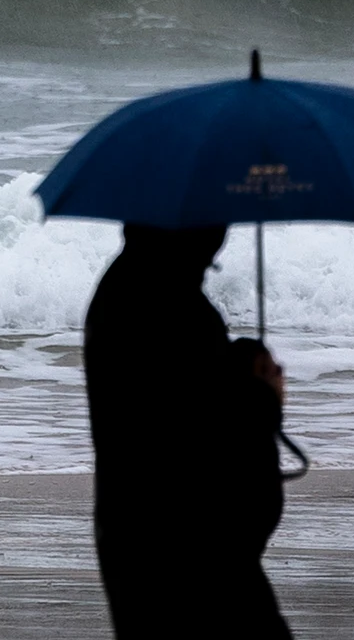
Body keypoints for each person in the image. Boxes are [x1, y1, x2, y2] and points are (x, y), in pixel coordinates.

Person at [82, 223, 290, 639]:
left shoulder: (130, 287)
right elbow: (202, 438)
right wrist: (263, 395)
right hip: (192, 553)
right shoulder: (173, 304)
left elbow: (167, 408)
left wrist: (238, 365)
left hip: (138, 540)